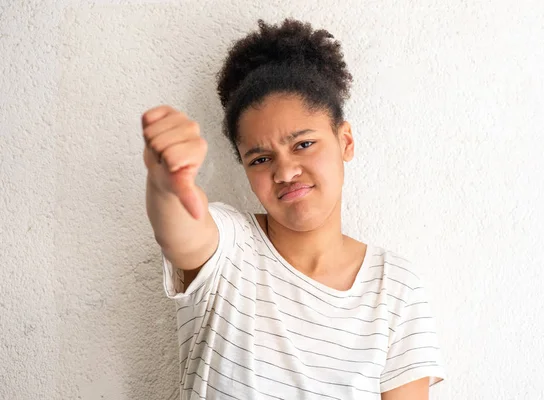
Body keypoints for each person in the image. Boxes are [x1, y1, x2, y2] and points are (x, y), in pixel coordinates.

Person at [143, 18, 445, 400]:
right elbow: (181, 230)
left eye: (303, 144)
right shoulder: (230, 247)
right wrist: (166, 181)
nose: (284, 171)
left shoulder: (395, 286)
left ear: (345, 141)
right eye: (260, 159)